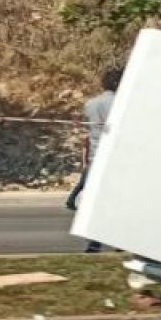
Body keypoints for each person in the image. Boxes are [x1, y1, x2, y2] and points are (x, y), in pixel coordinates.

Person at [66, 66, 123, 252]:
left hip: (96, 156)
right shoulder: (123, 103)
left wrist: (86, 158)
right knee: (115, 202)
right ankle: (117, 242)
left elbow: (88, 134)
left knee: (96, 202)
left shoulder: (90, 104)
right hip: (115, 158)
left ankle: (94, 242)